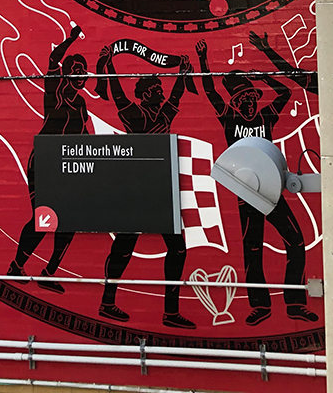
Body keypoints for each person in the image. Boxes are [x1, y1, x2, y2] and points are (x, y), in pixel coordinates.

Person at [196, 36, 317, 326]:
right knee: (252, 249)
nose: (248, 103)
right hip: (245, 192)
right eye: (242, 100)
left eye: (251, 98)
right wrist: (203, 59)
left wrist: (262, 69)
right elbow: (211, 90)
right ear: (235, 103)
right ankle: (260, 306)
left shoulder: (265, 116)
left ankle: (295, 302)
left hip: (271, 189)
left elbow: (284, 93)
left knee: (296, 241)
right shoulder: (228, 118)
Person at [97, 46, 195, 328]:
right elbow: (117, 94)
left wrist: (183, 73)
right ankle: (107, 302)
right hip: (135, 190)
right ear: (143, 95)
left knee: (177, 249)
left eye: (159, 88)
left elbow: (176, 95)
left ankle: (170, 312)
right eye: (154, 89)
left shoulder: (163, 116)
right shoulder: (135, 116)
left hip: (159, 190)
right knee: (124, 248)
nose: (160, 92)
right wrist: (109, 65)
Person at [7, 24, 90, 291]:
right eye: (76, 69)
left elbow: (84, 135)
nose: (81, 75)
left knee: (71, 221)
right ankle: (16, 267)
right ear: (67, 72)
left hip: (67, 166)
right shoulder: (54, 90)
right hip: (44, 162)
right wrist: (71, 39)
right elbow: (53, 59)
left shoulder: (80, 104)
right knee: (45, 219)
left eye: (84, 71)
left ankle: (49, 273)